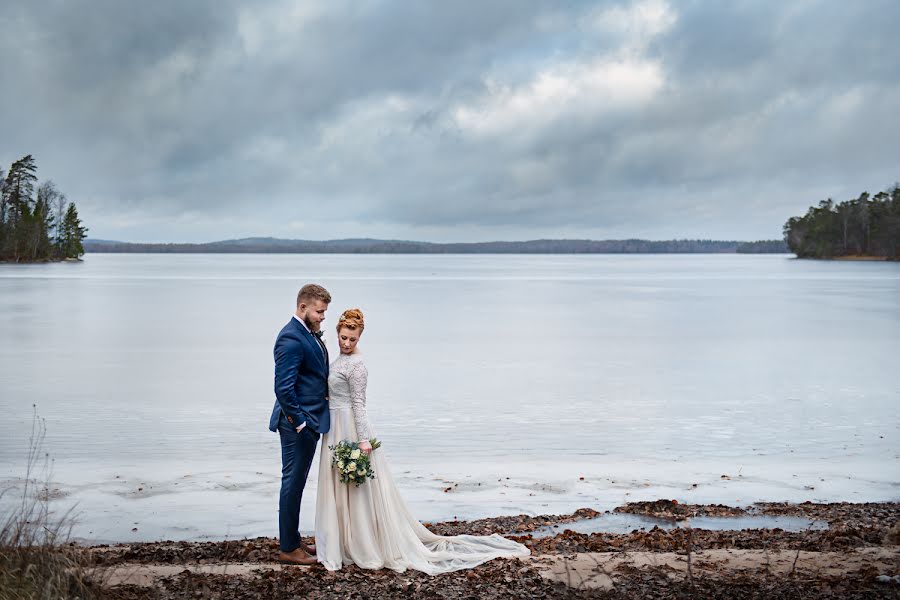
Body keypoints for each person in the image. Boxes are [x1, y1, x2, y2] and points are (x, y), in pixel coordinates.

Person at [315, 308, 530, 574]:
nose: (347, 343)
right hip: (334, 428)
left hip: (350, 427)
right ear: (338, 333)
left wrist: (363, 441)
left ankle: (363, 542)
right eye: (344, 338)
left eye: (353, 339)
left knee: (358, 491)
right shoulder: (336, 360)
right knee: (339, 487)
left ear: (360, 337)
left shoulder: (358, 366)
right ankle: (340, 540)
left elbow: (359, 405)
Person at [269, 283, 332, 565]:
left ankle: (293, 540)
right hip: (297, 425)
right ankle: (288, 548)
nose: (322, 317)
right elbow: (283, 389)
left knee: (296, 483)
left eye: (324, 312)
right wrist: (299, 424)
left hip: (309, 420)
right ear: (303, 307)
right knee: (292, 484)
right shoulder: (291, 339)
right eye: (319, 311)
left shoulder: (308, 334)